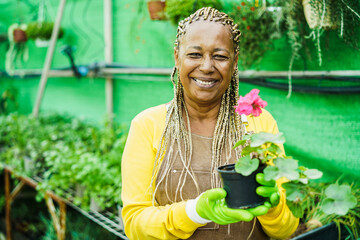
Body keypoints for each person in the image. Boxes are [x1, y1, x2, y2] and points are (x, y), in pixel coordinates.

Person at [121, 7, 299, 240]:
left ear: (235, 62)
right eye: (195, 54)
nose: (206, 66)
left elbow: (286, 230)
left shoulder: (259, 124)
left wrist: (273, 208)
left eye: (220, 56)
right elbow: (135, 225)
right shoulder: (148, 125)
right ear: (177, 57)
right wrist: (194, 212)